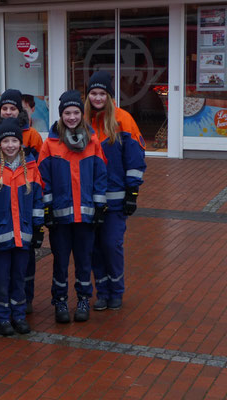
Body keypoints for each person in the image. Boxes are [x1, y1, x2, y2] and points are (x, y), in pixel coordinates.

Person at [38, 90, 107, 323]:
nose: (72, 117)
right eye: (67, 113)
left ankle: (83, 300)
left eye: (76, 112)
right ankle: (60, 301)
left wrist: (99, 208)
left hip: (86, 216)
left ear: (82, 114)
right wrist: (47, 210)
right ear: (61, 115)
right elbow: (43, 180)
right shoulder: (50, 144)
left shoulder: (93, 141)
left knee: (84, 261)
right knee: (59, 262)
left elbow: (100, 177)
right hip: (60, 218)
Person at [84, 70, 146, 311]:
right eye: (93, 93)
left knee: (111, 245)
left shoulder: (123, 120)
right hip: (88, 200)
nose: (97, 98)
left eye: (102, 93)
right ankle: (102, 291)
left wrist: (132, 194)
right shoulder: (83, 121)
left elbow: (135, 160)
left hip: (116, 199)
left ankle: (116, 291)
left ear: (109, 96)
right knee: (94, 248)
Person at [0, 117, 44, 336]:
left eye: (14, 141)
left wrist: (37, 230)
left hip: (23, 237)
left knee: (19, 278)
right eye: (5, 141)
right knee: (1, 280)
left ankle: (18, 316)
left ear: (20, 143)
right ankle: (2, 318)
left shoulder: (32, 170)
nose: (10, 145)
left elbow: (37, 203)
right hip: (0, 239)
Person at [0, 89, 44, 313]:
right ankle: (5, 309)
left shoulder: (32, 135)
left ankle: (25, 300)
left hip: (23, 201)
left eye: (13, 108)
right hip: (0, 198)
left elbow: (38, 171)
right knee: (3, 265)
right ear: (0, 111)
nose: (9, 112)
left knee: (24, 260)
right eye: (5, 108)